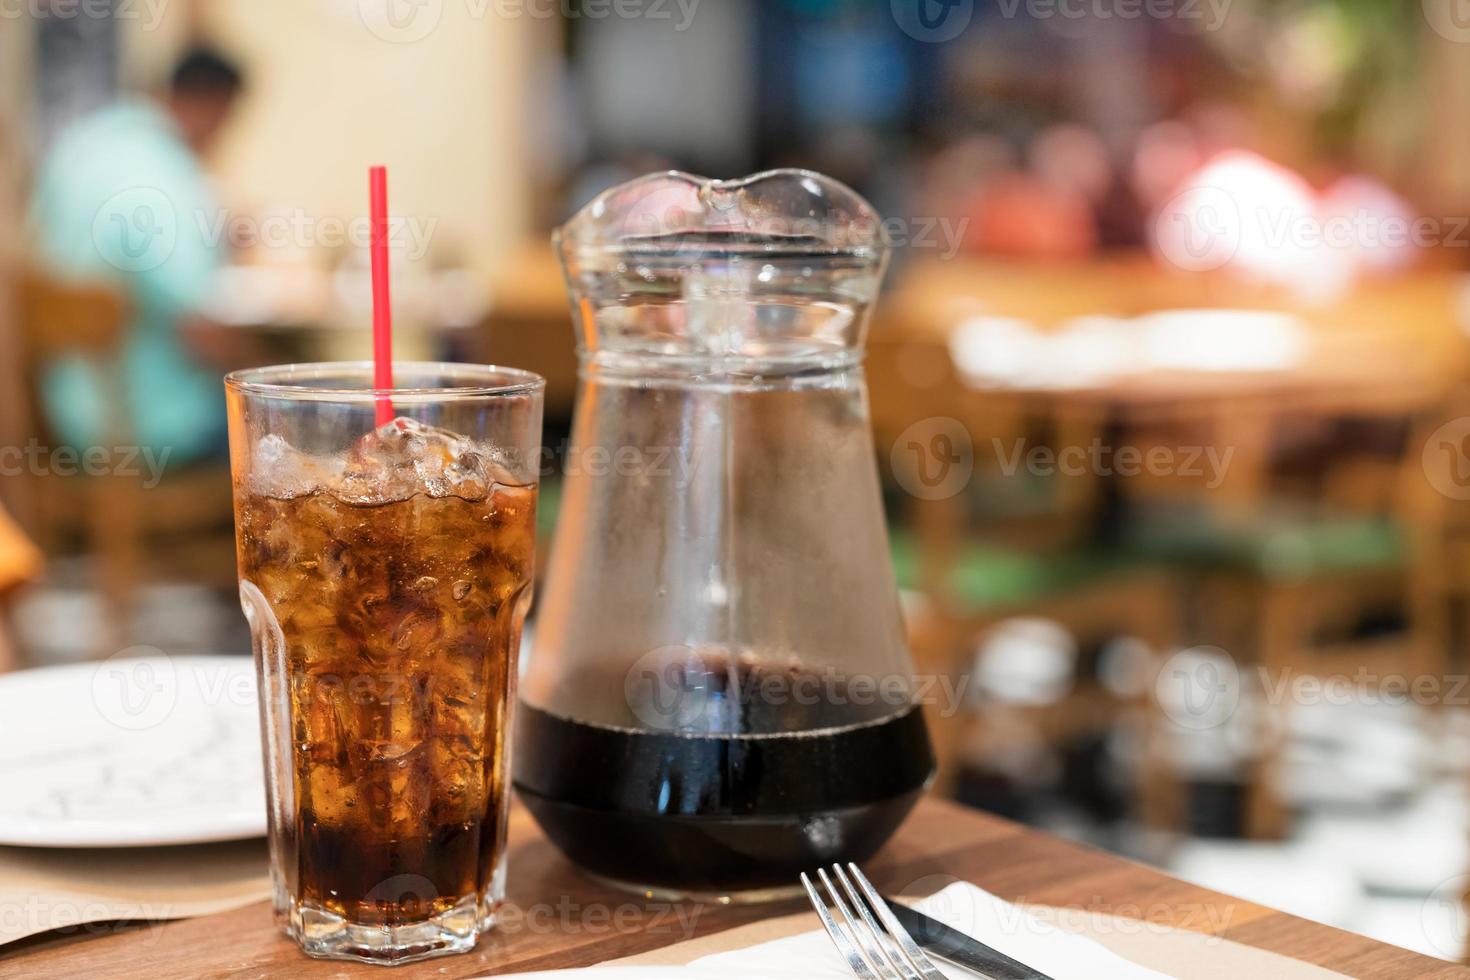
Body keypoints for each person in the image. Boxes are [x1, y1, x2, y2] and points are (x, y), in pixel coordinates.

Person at [29, 46, 246, 467]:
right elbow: (203, 330)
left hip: (61, 414)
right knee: (292, 420)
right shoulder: (163, 175)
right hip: (144, 432)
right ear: (214, 106)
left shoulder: (82, 143)